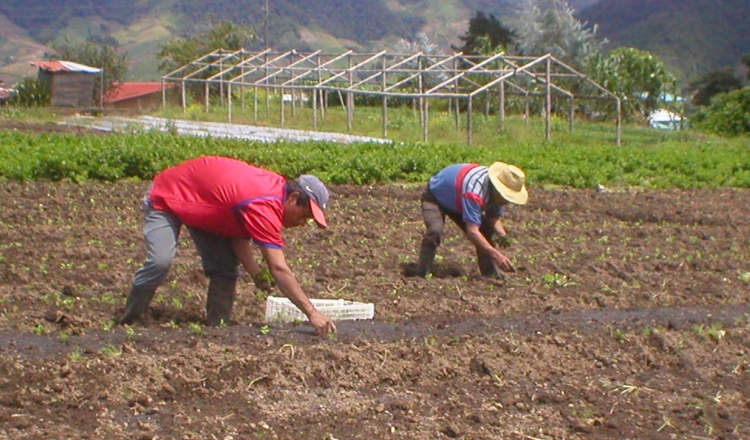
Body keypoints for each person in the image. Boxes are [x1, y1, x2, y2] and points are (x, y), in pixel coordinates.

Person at [119, 155, 337, 334]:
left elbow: (237, 234)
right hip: (167, 197)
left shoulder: (269, 196)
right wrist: (311, 312)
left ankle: (217, 331)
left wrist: (255, 274)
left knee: (224, 267)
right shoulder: (264, 204)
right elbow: (279, 268)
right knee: (160, 260)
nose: (302, 223)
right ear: (293, 198)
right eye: (304, 215)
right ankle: (129, 322)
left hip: (206, 208)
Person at [415, 162, 528, 278]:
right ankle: (421, 274)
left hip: (458, 200)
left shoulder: (497, 192)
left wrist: (502, 235)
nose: (507, 202)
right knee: (435, 231)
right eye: (506, 197)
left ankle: (490, 275)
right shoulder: (474, 191)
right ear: (497, 189)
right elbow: (473, 232)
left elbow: (493, 217)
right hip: (435, 197)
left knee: (487, 231)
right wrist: (496, 255)